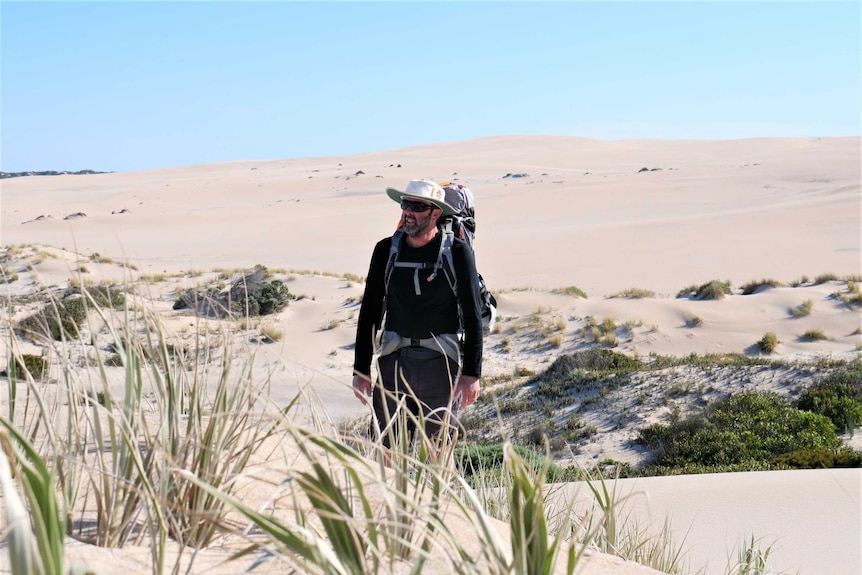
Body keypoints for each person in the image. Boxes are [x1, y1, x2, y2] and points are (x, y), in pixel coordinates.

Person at [352, 179, 483, 458]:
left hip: (440, 365)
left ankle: (438, 503)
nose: (408, 212)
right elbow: (371, 312)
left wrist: (472, 374)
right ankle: (388, 503)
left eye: (418, 207)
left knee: (439, 454)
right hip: (393, 363)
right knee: (385, 451)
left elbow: (472, 316)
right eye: (405, 204)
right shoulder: (385, 250)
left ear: (436, 213)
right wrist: (361, 369)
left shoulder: (457, 252)